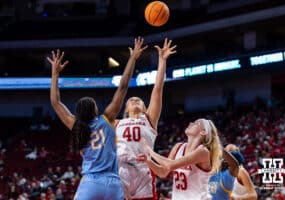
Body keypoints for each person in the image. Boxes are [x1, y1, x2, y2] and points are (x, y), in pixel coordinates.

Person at [48, 37, 147, 200]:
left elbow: (55, 102)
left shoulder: (76, 125)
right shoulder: (106, 119)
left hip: (90, 183)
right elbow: (122, 87)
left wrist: (55, 73)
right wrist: (132, 58)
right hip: (113, 183)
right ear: (95, 110)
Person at [115, 38, 176, 200]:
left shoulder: (149, 119)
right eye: (131, 100)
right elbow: (122, 87)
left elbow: (157, 89)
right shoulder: (116, 123)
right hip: (121, 170)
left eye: (139, 100)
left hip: (144, 170)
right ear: (125, 108)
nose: (135, 100)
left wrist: (162, 61)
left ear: (144, 107)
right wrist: (132, 58)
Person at [137, 118, 223, 200]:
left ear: (203, 132)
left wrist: (149, 150)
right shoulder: (178, 147)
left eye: (196, 123)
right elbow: (163, 172)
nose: (190, 123)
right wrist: (148, 161)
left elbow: (170, 165)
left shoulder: (203, 151)